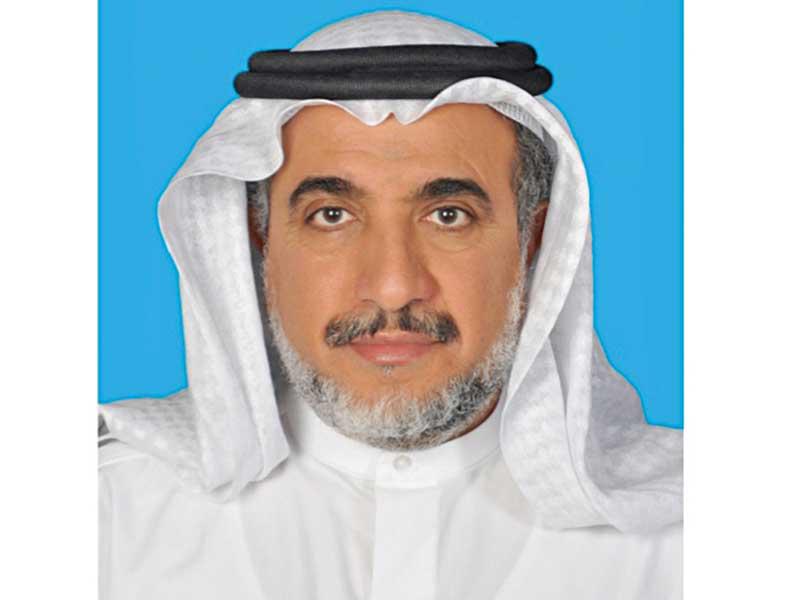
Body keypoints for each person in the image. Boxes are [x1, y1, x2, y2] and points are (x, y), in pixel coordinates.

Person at [99, 10, 682, 599]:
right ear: (260, 241)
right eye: (331, 216)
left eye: (448, 216)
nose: (394, 286)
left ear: (533, 243)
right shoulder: (106, 520)